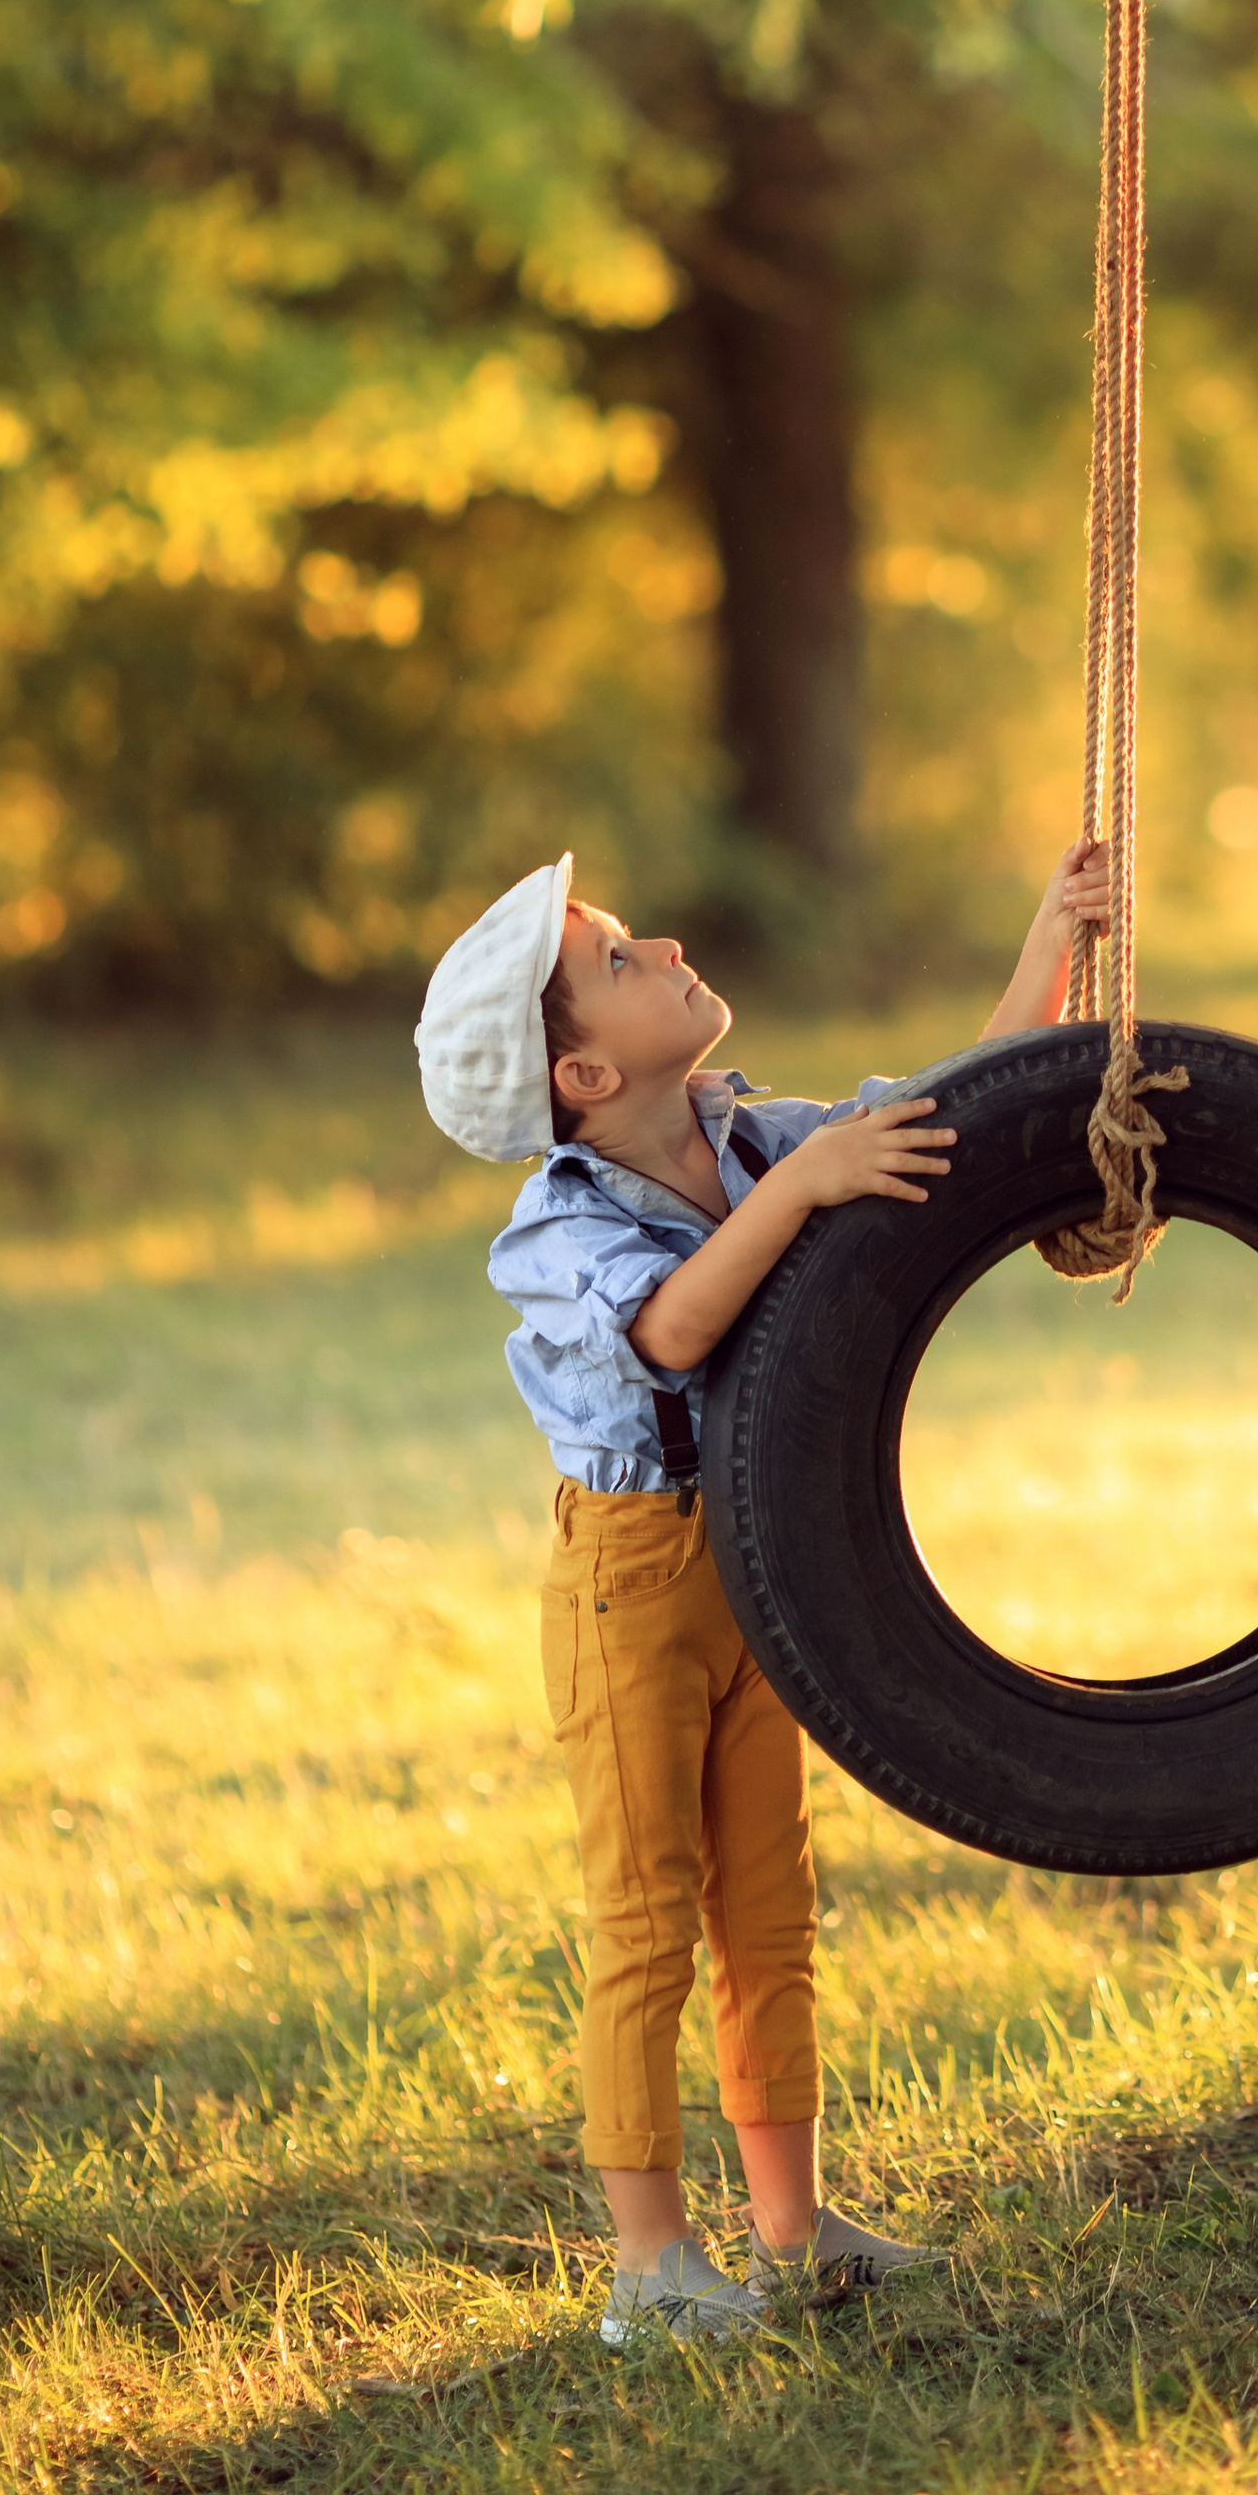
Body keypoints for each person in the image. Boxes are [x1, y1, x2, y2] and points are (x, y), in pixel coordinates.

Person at [414, 837, 1110, 2348]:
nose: (660, 942)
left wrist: (1051, 941)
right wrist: (802, 1184)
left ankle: (792, 2227)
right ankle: (649, 2266)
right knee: (647, 1913)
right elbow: (668, 1330)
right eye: (615, 961)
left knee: (769, 1905)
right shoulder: (560, 1224)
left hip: (752, 1563)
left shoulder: (751, 1139)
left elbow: (949, 1114)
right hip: (629, 1584)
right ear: (587, 1079)